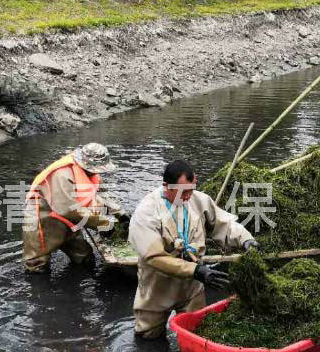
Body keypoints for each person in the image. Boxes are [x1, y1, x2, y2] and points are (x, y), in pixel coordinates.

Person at [128, 159, 258, 340]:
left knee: (198, 331)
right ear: (166, 186)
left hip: (192, 286)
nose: (188, 196)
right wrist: (196, 270)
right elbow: (154, 257)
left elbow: (223, 224)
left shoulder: (199, 200)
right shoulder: (146, 212)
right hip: (158, 286)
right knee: (148, 335)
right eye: (183, 191)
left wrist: (246, 240)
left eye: (191, 190)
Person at [23, 143, 123, 274]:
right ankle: (40, 292)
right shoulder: (62, 174)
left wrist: (120, 213)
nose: (98, 172)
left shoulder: (90, 172)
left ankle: (78, 286)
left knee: (85, 256)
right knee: (37, 266)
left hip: (69, 221)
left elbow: (102, 194)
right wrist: (104, 224)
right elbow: (69, 210)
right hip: (43, 218)